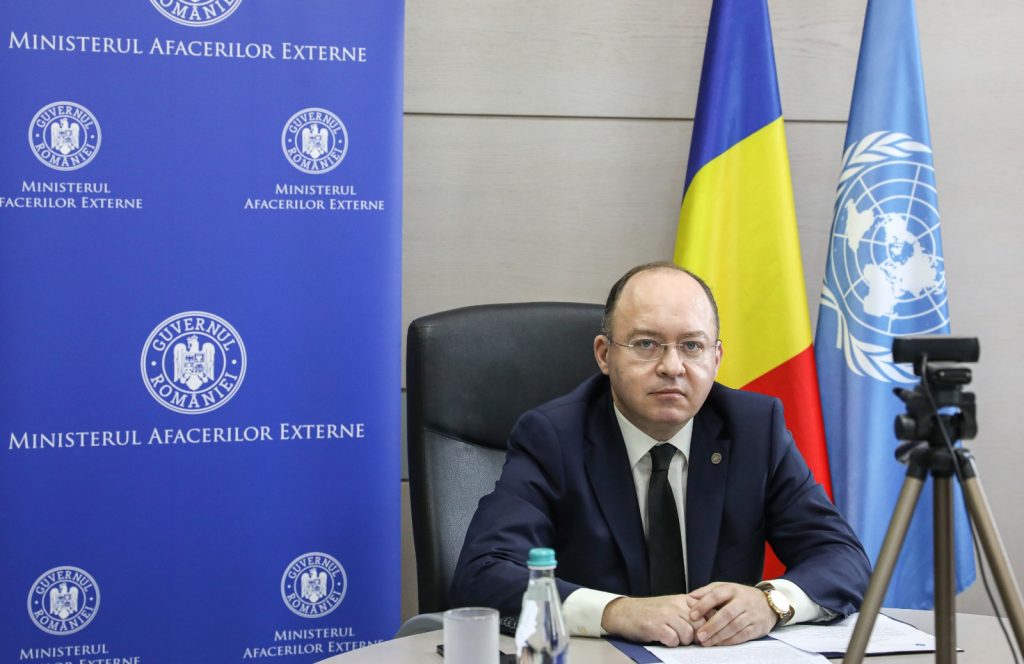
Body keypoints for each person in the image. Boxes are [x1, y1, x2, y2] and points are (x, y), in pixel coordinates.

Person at [450, 261, 871, 647]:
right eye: (647, 344)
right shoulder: (553, 437)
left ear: (716, 358)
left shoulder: (753, 429)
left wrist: (772, 602)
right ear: (604, 355)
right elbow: (482, 573)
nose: (672, 366)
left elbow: (843, 558)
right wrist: (616, 611)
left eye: (692, 346)